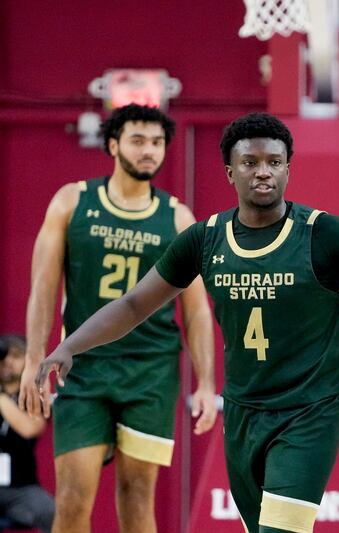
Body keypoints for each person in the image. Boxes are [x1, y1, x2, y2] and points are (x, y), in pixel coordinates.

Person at [27, 112, 339, 533]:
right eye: (250, 163)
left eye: (274, 161)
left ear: (289, 167)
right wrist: (70, 346)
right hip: (245, 411)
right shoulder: (204, 238)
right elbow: (132, 305)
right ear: (231, 172)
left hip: (310, 409)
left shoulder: (325, 234)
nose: (263, 171)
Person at [18, 104, 217, 533]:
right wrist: (35, 355)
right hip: (83, 368)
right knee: (71, 499)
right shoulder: (72, 201)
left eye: (158, 142)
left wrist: (205, 383)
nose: (150, 151)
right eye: (138, 140)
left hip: (151, 372)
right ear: (113, 144)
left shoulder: (179, 218)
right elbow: (44, 286)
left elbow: (197, 308)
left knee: (137, 498)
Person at [0, 335, 54, 533]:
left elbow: (31, 428)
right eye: (4, 356)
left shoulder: (33, 396)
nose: (7, 362)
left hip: (21, 489)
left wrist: (1, 399)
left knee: (50, 511)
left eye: (15, 356)